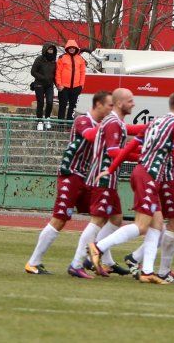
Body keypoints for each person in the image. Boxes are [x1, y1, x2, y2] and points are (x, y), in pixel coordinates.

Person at [88, 92, 174, 284]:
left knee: (157, 225)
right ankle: (98, 247)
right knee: (142, 225)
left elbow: (129, 146)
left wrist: (111, 168)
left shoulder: (155, 122)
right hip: (148, 176)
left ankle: (147, 271)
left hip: (141, 173)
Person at [24, 91, 113, 275]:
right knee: (60, 219)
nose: (111, 110)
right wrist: (110, 127)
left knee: (102, 215)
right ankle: (33, 263)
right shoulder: (82, 120)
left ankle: (96, 261)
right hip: (70, 175)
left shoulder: (102, 125)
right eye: (109, 105)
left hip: (85, 178)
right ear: (98, 105)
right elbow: (90, 136)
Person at [124, 83, 174, 283]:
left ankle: (139, 260)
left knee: (162, 224)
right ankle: (161, 270)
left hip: (172, 176)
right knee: (171, 222)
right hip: (166, 176)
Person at [67, 88, 143, 279]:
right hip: (103, 178)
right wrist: (142, 156)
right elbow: (113, 152)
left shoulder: (116, 122)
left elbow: (129, 136)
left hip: (109, 178)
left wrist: (148, 130)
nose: (133, 104)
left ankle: (95, 256)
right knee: (98, 221)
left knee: (116, 219)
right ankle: (77, 263)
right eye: (130, 100)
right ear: (119, 103)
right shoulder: (113, 123)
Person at [55, 40, 87, 120]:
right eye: (70, 48)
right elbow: (58, 72)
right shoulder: (62, 58)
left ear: (76, 48)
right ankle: (60, 124)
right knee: (62, 105)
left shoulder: (80, 59)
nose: (72, 49)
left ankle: (69, 123)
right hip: (64, 87)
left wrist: (81, 85)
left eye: (73, 48)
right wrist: (59, 84)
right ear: (67, 48)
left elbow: (83, 72)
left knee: (72, 106)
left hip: (76, 87)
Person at [31, 43, 58, 130]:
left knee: (50, 102)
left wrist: (57, 85)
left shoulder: (54, 61)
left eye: (52, 49)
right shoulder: (39, 59)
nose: (50, 51)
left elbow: (54, 75)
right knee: (41, 102)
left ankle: (47, 118)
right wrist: (43, 78)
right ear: (45, 50)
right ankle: (39, 121)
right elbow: (33, 72)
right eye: (49, 49)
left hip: (49, 85)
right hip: (39, 84)